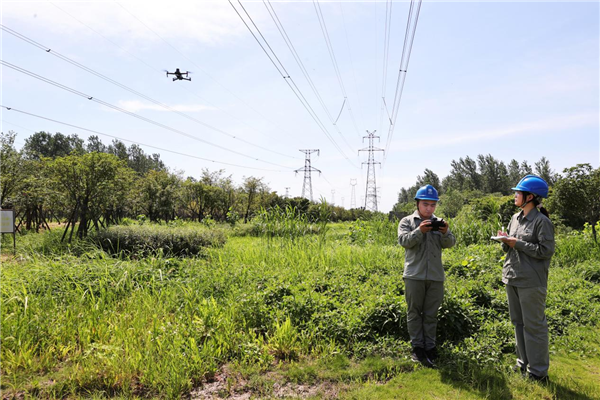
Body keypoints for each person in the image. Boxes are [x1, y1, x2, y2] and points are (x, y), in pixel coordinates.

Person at [497, 175, 554, 383]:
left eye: (518, 193)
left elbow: (545, 251)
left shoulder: (542, 222)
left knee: (534, 326)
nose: (514, 196)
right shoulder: (515, 218)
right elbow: (513, 248)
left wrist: (517, 243)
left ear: (530, 197)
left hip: (531, 282)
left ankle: (538, 372)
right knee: (518, 323)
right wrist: (505, 240)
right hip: (512, 277)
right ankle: (523, 364)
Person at [398, 184, 456, 366]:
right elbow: (404, 241)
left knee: (431, 314)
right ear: (417, 204)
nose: (429, 208)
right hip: (414, 275)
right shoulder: (407, 222)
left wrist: (445, 232)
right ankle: (417, 347)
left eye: (432, 205)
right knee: (414, 312)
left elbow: (450, 243)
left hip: (435, 276)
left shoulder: (440, 222)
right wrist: (419, 231)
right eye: (425, 204)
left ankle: (430, 347)